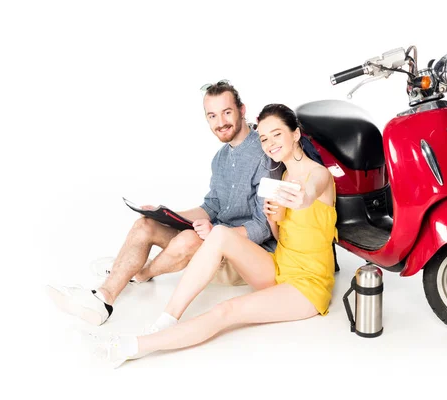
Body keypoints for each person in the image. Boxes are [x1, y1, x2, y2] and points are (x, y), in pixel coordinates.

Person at [87, 103, 337, 368]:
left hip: (307, 285)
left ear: (295, 134)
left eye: (277, 134)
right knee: (218, 233)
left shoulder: (319, 175)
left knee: (225, 311)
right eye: (264, 137)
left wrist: (300, 198)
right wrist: (274, 217)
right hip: (278, 267)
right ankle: (166, 319)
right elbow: (280, 234)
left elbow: (309, 192)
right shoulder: (283, 175)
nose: (270, 143)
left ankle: (135, 346)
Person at [47, 81, 282, 328]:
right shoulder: (221, 158)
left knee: (189, 240)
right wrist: (166, 214)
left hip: (244, 255)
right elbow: (212, 206)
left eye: (227, 112)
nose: (220, 122)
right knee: (145, 225)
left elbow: (264, 226)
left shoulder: (265, 152)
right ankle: (102, 299)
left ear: (242, 110)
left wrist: (217, 234)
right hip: (212, 238)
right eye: (212, 115)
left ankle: (139, 272)